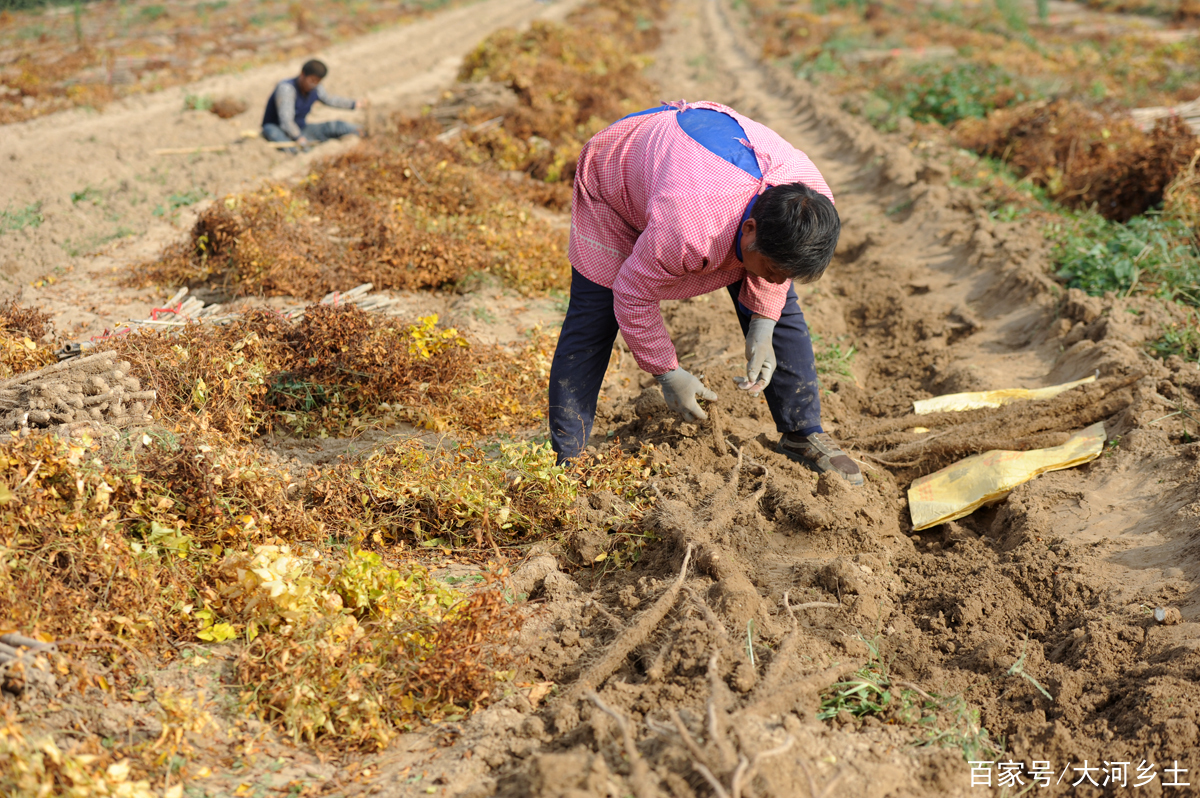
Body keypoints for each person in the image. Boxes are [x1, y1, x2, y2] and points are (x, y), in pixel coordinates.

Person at [548, 100, 862, 486]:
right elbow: (632, 294)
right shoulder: (688, 227)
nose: (779, 281)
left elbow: (773, 277)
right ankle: (567, 460)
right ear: (749, 231)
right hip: (617, 178)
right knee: (593, 319)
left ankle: (801, 433)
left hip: (706, 172)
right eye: (776, 271)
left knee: (780, 308)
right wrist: (668, 373)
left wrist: (764, 323)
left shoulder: (810, 203)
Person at [261, 59, 367, 152]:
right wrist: (298, 137)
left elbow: (330, 99)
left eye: (317, 82)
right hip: (278, 129)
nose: (313, 84)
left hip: (301, 128)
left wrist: (354, 104)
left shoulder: (316, 88)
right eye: (311, 80)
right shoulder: (287, 89)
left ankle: (363, 130)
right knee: (293, 147)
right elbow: (286, 120)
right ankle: (301, 151)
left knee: (334, 127)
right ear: (302, 74)